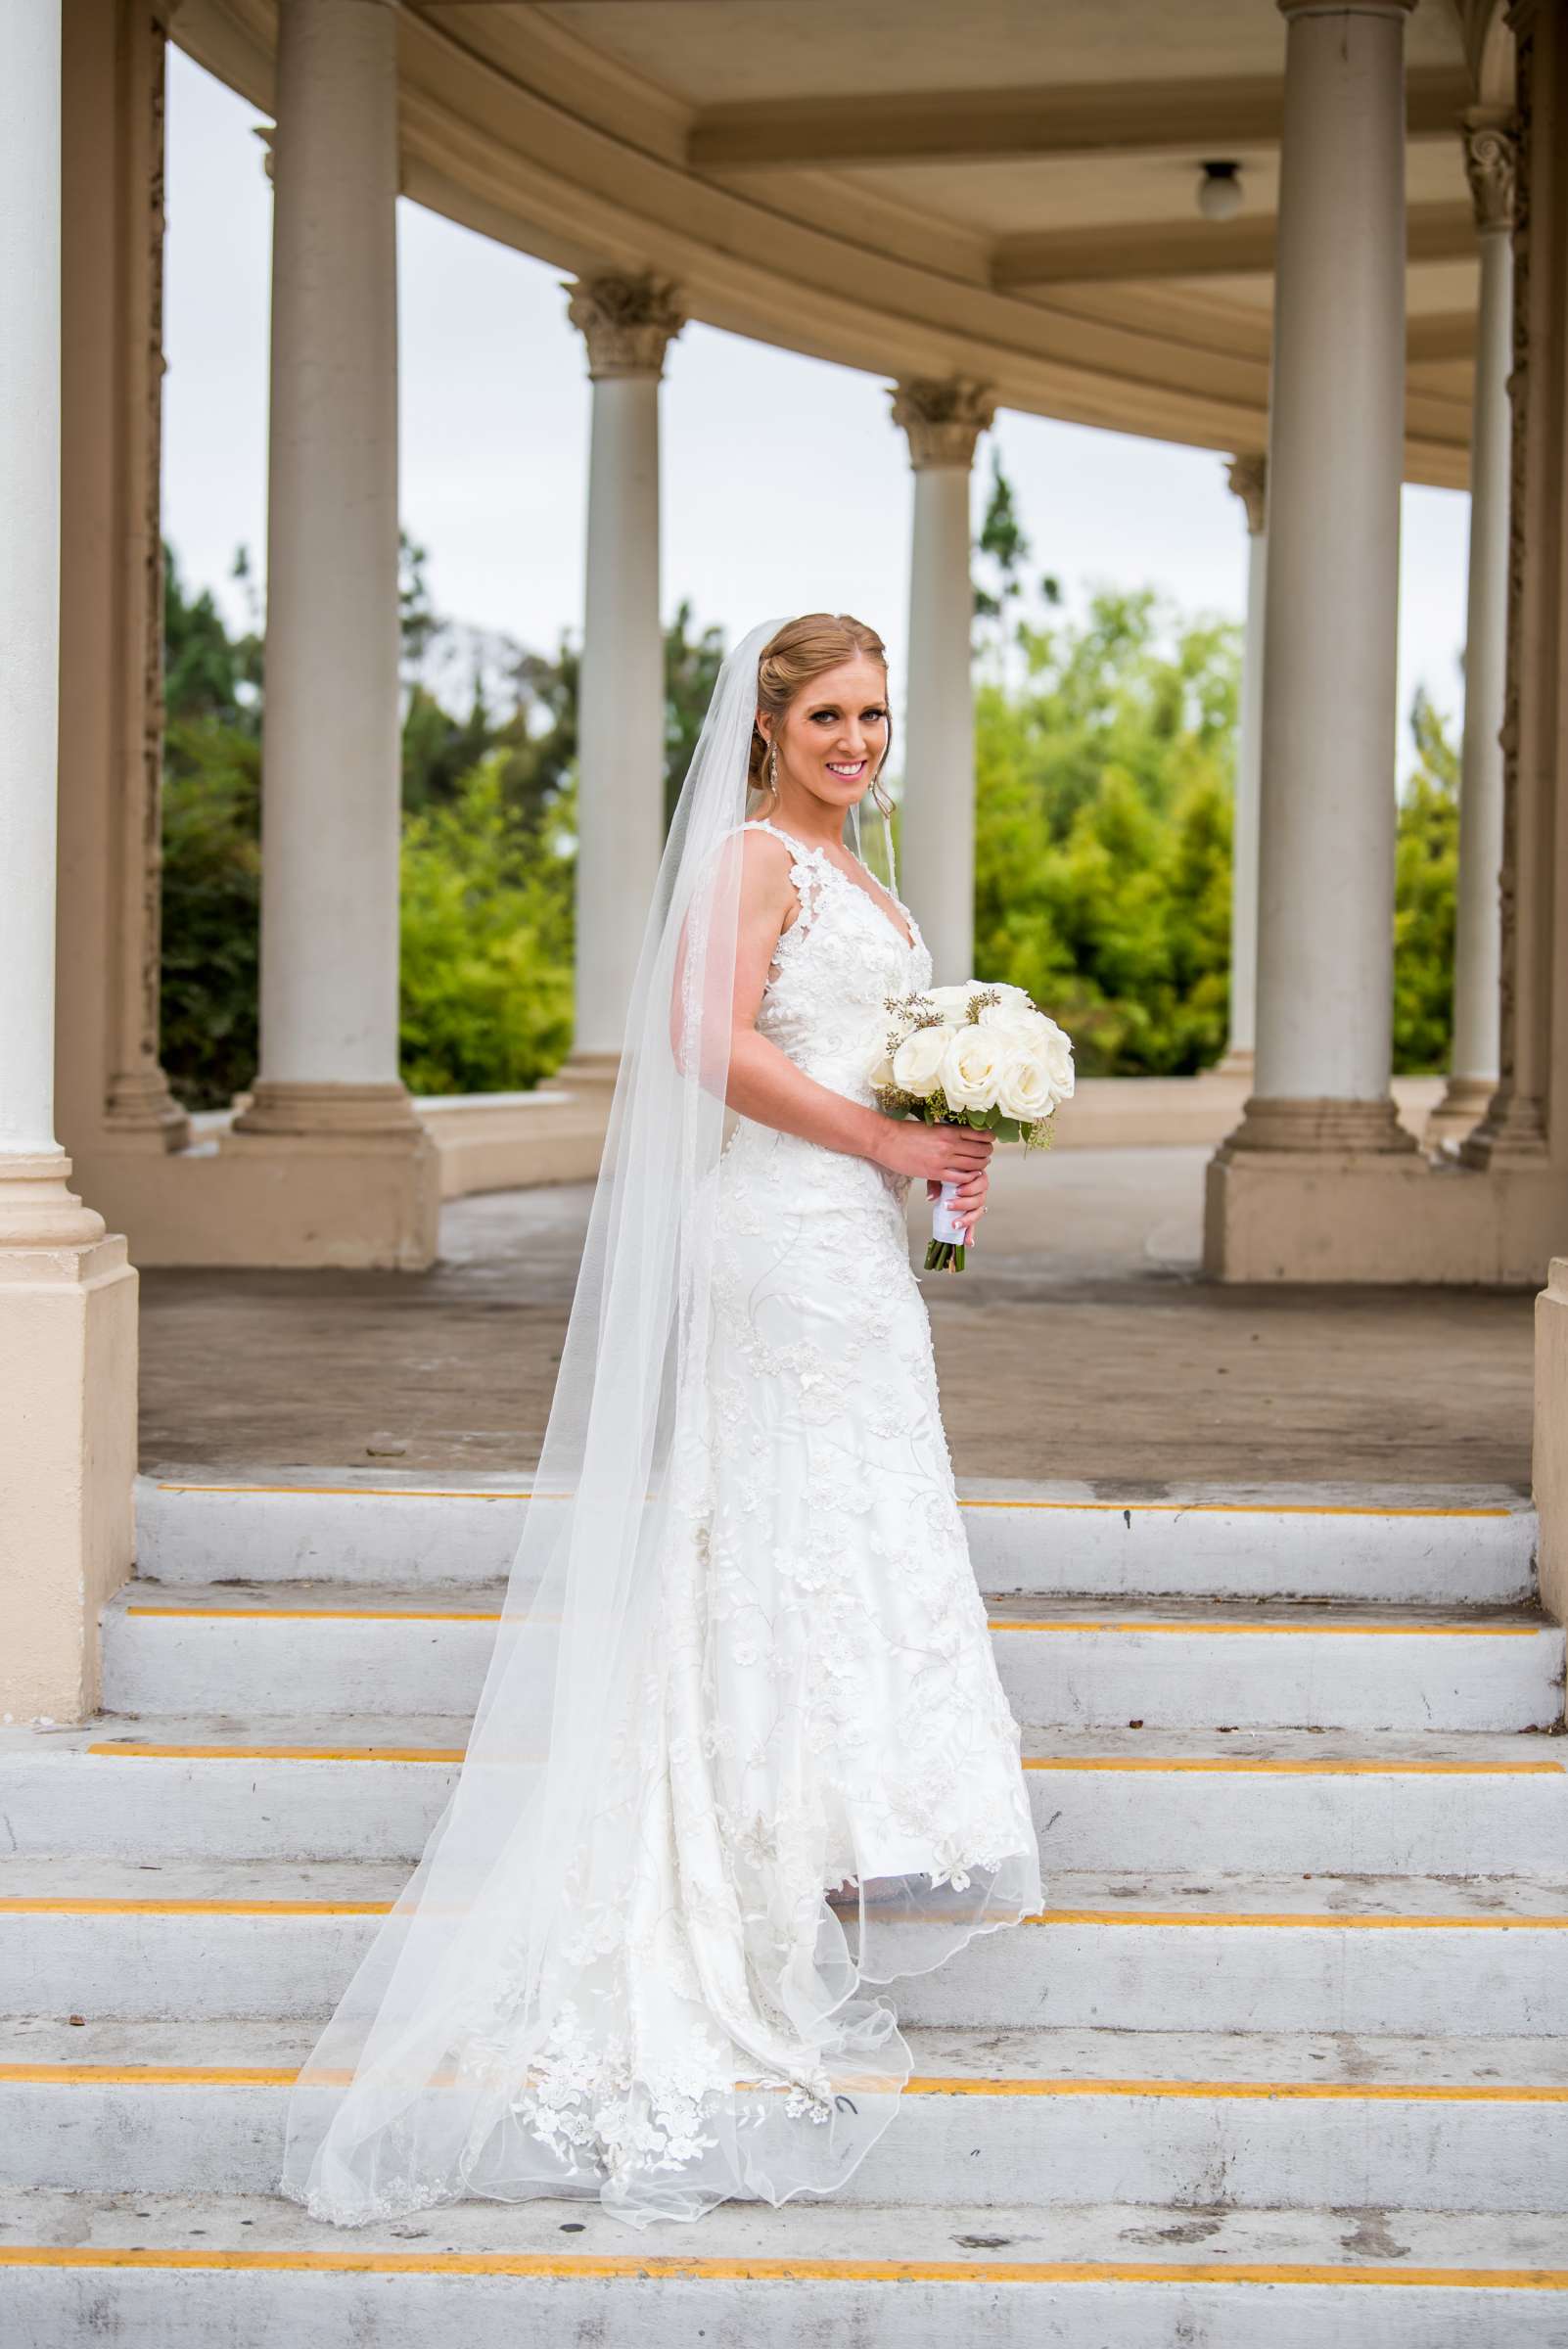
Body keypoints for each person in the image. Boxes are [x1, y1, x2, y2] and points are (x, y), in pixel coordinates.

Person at [281, 613, 1040, 2233]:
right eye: (828, 715)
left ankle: (828, 1814)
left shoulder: (867, 877)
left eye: (874, 716)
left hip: (841, 1227)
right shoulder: (757, 857)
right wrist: (880, 1143)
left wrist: (937, 1126)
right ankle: (756, 1846)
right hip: (777, 1228)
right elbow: (704, 1046)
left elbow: (837, 1043)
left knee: (838, 1511)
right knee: (780, 1509)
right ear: (766, 727)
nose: (856, 741)